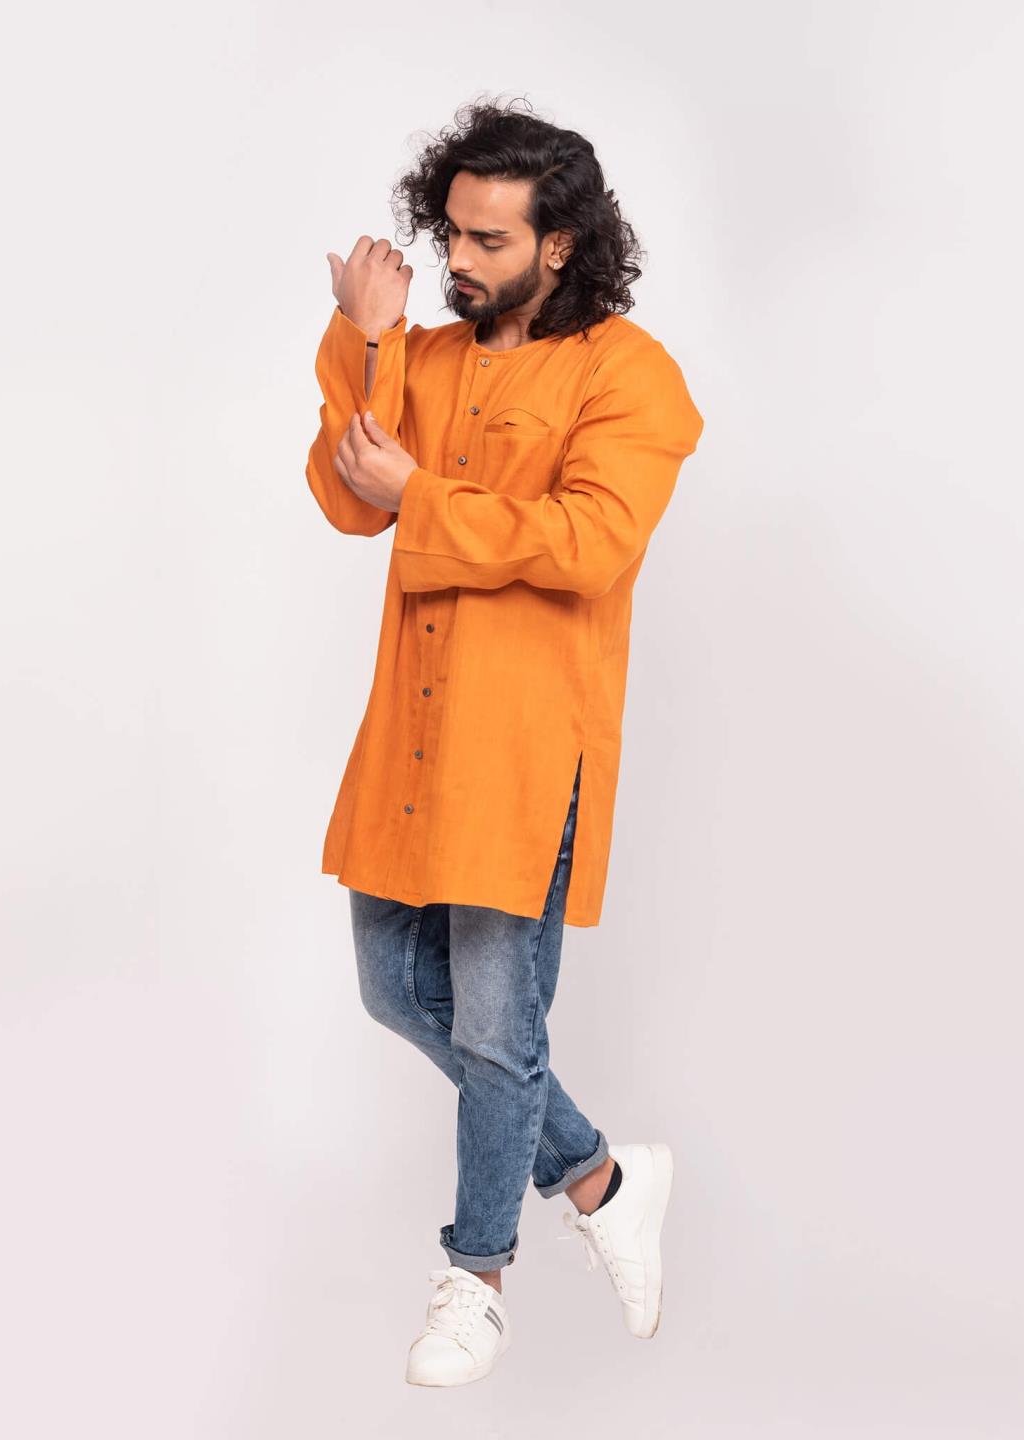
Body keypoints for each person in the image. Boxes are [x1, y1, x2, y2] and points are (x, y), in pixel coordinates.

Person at [303, 96, 704, 1386]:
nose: (459, 260)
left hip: (524, 749)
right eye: (451, 234)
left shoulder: (628, 374)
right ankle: (598, 1177)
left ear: (561, 243)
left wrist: (423, 494)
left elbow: (590, 542)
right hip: (412, 736)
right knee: (393, 989)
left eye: (489, 239)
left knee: (490, 1017)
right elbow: (349, 504)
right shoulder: (423, 357)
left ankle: (475, 1277)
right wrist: (365, 339)